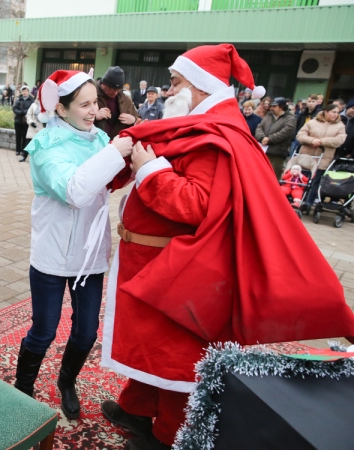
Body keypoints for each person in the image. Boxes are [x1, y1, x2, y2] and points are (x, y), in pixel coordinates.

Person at [98, 44, 354, 450]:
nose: (168, 90)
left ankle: (166, 436)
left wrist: (150, 169)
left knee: (175, 354)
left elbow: (198, 203)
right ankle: (137, 407)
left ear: (201, 87)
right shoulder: (197, 126)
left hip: (179, 267)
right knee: (153, 345)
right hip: (156, 258)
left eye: (177, 82)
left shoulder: (215, 136)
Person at [12, 69, 132, 423]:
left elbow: (107, 182)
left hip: (90, 256)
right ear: (61, 109)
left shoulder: (97, 139)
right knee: (44, 330)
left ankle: (67, 382)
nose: (93, 110)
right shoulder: (45, 147)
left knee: (86, 331)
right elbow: (74, 191)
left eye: (96, 102)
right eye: (84, 104)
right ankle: (22, 389)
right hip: (51, 257)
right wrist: (114, 153)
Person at [298, 103, 347, 208]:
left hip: (324, 158)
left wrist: (321, 141)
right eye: (333, 112)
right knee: (303, 180)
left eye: (337, 112)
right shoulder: (312, 122)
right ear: (326, 111)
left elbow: (339, 140)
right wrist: (312, 140)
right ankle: (298, 199)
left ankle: (309, 203)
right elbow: (300, 135)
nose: (335, 114)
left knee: (316, 183)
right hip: (307, 156)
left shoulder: (340, 126)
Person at [256, 97, 297, 179]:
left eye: (274, 106)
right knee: (258, 175)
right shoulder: (269, 116)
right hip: (262, 151)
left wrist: (269, 139)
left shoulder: (290, 118)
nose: (271, 108)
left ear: (281, 107)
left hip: (277, 153)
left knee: (272, 177)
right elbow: (259, 127)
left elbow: (285, 132)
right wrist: (262, 137)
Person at [94, 66, 139, 140]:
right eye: (112, 89)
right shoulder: (91, 93)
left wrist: (133, 120)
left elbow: (140, 120)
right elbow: (76, 119)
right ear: (103, 84)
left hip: (117, 144)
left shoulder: (125, 99)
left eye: (118, 89)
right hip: (94, 143)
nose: (115, 92)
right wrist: (95, 117)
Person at [13, 86, 34, 157]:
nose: (24, 92)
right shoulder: (18, 100)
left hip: (27, 122)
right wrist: (21, 112)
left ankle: (23, 150)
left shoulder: (31, 101)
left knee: (25, 137)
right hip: (18, 121)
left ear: (28, 92)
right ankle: (17, 150)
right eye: (23, 91)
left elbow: (32, 110)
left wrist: (26, 112)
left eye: (26, 91)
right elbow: (15, 109)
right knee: (18, 136)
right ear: (21, 92)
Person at [22, 98, 43, 162]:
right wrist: (30, 122)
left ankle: (38, 158)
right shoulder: (33, 105)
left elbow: (51, 116)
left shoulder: (47, 106)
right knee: (28, 142)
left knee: (40, 144)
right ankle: (24, 156)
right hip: (33, 126)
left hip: (42, 126)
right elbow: (28, 114)